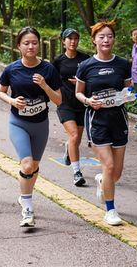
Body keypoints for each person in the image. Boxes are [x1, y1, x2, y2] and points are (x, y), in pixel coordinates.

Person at [0, 27, 63, 227]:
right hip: (18, 123)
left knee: (34, 168)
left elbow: (59, 100)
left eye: (34, 42)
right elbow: (1, 92)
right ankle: (27, 208)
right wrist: (12, 101)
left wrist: (44, 86)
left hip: (40, 125)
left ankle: (24, 195)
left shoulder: (48, 69)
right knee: (26, 165)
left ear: (39, 44)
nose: (30, 46)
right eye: (26, 43)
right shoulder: (11, 69)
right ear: (18, 46)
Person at [75, 21, 132, 226]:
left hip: (118, 118)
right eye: (101, 37)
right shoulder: (86, 66)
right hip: (96, 119)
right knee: (108, 165)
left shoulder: (123, 64)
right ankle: (111, 211)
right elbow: (78, 92)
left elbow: (128, 90)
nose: (106, 40)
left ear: (113, 40)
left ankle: (101, 180)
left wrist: (127, 96)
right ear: (94, 40)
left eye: (109, 36)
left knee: (115, 173)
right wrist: (88, 101)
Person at [53, 28, 91, 186]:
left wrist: (83, 83)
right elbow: (52, 80)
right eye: (69, 39)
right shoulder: (58, 61)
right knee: (74, 136)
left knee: (76, 140)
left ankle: (69, 149)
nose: (73, 41)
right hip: (65, 103)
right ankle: (77, 172)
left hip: (81, 104)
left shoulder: (86, 59)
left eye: (76, 38)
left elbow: (92, 79)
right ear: (63, 41)